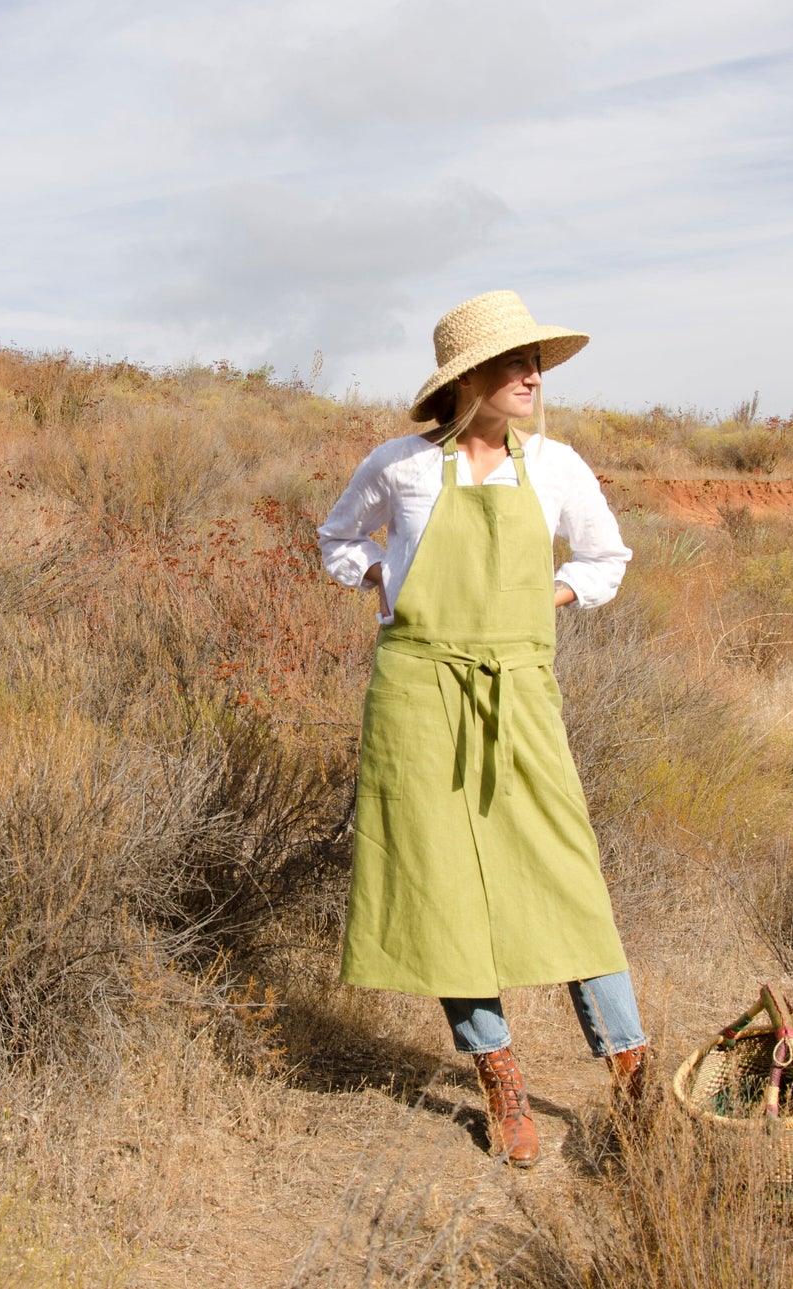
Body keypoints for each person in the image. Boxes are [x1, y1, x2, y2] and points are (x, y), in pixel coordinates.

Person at [316, 290, 647, 1168]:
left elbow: (604, 559)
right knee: (442, 888)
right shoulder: (401, 465)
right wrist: (383, 577)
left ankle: (632, 1068)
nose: (531, 374)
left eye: (535, 360)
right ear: (468, 379)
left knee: (567, 871)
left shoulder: (559, 468)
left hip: (519, 691)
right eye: (513, 361)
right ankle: (497, 1071)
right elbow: (336, 538)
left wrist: (551, 593)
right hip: (418, 693)